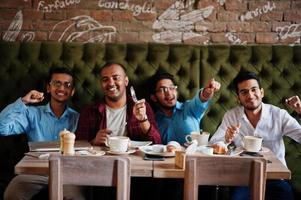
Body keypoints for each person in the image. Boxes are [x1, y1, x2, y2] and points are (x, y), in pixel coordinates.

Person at [210, 71, 300, 200]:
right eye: (244, 92)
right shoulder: (231, 116)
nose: (250, 95)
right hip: (243, 179)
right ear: (238, 98)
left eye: (254, 89)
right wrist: (226, 139)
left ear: (262, 92)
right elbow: (213, 144)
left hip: (276, 178)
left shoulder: (279, 115)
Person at [0, 66, 79, 200]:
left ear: (72, 91)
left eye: (67, 85)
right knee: (12, 195)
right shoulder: (33, 114)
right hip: (36, 171)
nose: (61, 88)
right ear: (48, 87)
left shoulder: (78, 118)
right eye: (57, 83)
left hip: (68, 173)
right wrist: (24, 101)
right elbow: (2, 128)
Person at [75, 62, 161, 145]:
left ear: (126, 81)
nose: (111, 83)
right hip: (101, 159)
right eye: (105, 80)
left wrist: (143, 120)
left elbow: (156, 143)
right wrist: (93, 142)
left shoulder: (142, 107)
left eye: (116, 78)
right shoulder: (89, 111)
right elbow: (78, 146)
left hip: (132, 158)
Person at [148, 71, 221, 145]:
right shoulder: (153, 122)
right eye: (162, 90)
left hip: (196, 155)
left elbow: (201, 99)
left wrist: (207, 92)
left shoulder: (189, 108)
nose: (169, 93)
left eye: (172, 88)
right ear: (154, 97)